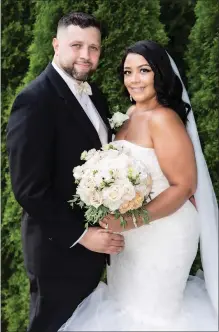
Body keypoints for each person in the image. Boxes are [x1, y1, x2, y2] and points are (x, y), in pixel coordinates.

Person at [58, 41, 218, 331]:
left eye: (143, 71)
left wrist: (130, 220)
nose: (133, 79)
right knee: (125, 307)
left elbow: (184, 186)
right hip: (129, 236)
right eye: (127, 72)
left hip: (164, 232)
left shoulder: (164, 119)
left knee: (152, 315)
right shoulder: (129, 115)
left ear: (160, 74)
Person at [6, 12, 125, 332]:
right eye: (77, 45)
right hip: (57, 252)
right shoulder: (34, 100)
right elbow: (29, 189)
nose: (86, 55)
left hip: (95, 250)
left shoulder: (95, 95)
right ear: (57, 45)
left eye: (94, 48)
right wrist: (84, 236)